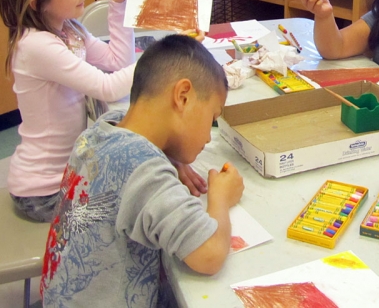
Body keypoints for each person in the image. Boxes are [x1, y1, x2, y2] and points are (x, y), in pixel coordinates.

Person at [0, 0, 206, 222]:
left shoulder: (69, 29)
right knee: (137, 207)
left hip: (70, 173)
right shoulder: (36, 46)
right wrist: (166, 51)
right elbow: (107, 88)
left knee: (144, 186)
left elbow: (116, 62)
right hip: (43, 193)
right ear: (38, 3)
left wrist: (118, 5)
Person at [40, 34, 244, 307]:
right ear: (183, 97)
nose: (208, 137)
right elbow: (209, 255)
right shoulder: (144, 169)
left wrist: (171, 156)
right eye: (212, 118)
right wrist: (220, 198)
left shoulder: (100, 132)